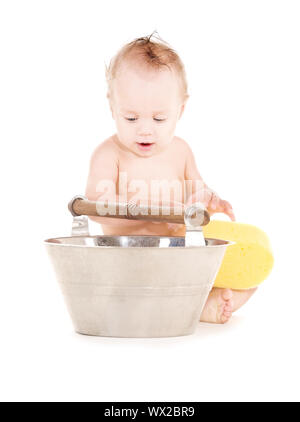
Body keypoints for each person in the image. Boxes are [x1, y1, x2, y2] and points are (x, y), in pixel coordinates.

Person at [85, 32, 257, 324]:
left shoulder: (181, 152)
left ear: (181, 109)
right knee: (138, 293)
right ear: (112, 107)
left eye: (159, 119)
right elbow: (97, 207)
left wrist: (211, 201)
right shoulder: (108, 154)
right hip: (130, 264)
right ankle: (192, 307)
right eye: (131, 118)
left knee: (251, 270)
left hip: (180, 257)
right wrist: (148, 213)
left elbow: (197, 196)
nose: (145, 130)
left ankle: (207, 303)